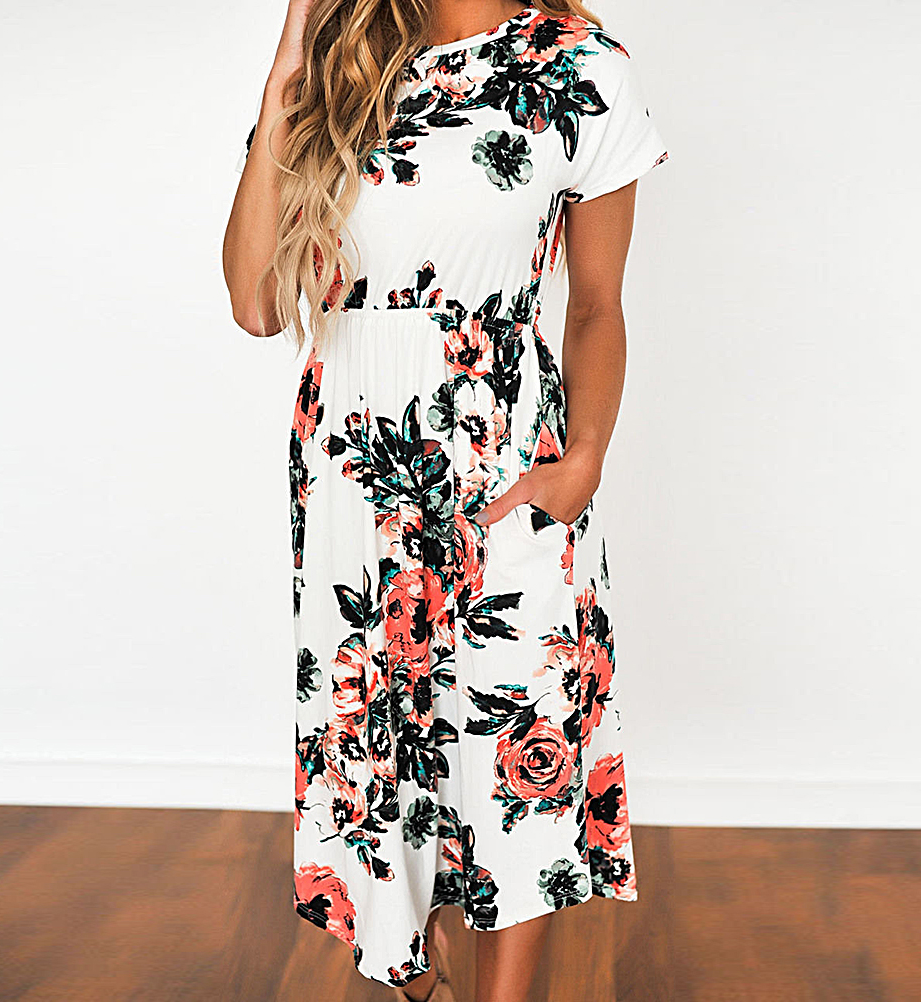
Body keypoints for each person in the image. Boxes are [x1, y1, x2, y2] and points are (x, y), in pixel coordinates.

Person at [223, 2, 668, 999]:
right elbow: (254, 303)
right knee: (384, 750)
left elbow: (598, 305)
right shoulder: (340, 63)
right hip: (354, 469)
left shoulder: (579, 66)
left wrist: (584, 460)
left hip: (507, 461)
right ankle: (420, 982)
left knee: (515, 741)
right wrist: (288, 66)